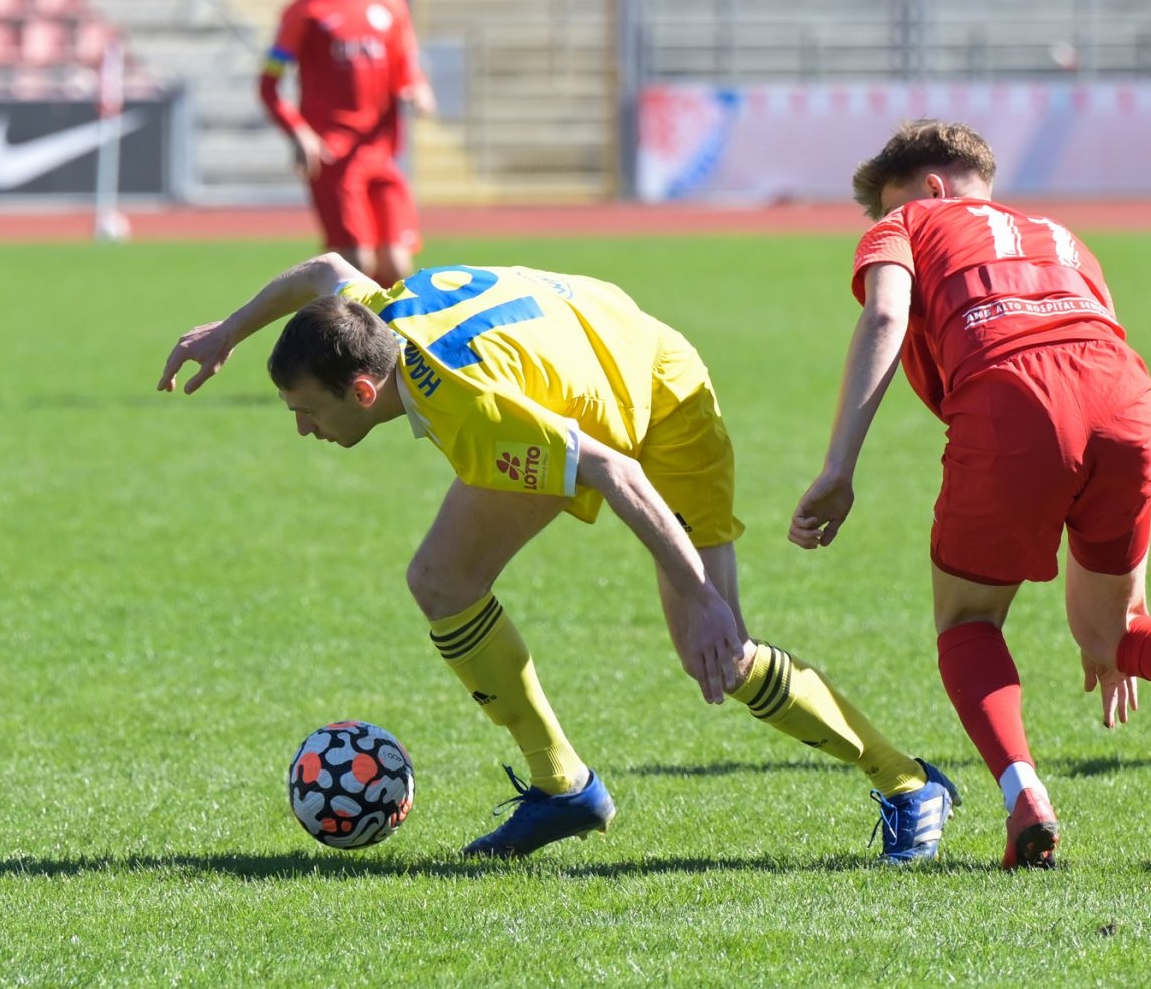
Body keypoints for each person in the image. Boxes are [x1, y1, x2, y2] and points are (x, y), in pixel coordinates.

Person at [158, 256, 957, 862]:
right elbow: (325, 271)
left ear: (363, 392)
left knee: (717, 651)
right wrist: (229, 331)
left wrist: (701, 595)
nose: (303, 429)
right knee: (441, 580)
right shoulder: (376, 316)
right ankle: (563, 786)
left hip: (663, 401)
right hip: (586, 366)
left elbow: (615, 471)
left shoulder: (472, 407)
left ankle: (910, 783)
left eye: (306, 412)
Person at [789, 120, 1151, 870]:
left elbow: (887, 313)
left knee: (968, 621)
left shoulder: (909, 222)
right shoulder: (1062, 238)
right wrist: (1123, 611)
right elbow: (1102, 355)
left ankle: (1024, 795)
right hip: (1126, 400)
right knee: (1115, 629)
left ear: (931, 188)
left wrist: (839, 467)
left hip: (1013, 400)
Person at [260, 0, 435, 288]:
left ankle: (383, 332)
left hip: (381, 151)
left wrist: (419, 89)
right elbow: (268, 83)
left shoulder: (390, 2)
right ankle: (332, 327)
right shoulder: (305, 10)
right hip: (333, 154)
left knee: (397, 265)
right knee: (357, 263)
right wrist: (299, 132)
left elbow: (406, 66)